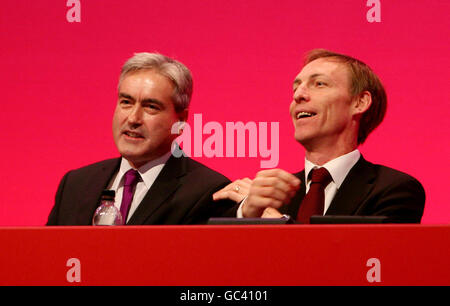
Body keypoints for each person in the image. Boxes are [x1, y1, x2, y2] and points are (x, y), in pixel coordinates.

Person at [214, 49, 425, 223]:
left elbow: (354, 264)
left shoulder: (395, 190)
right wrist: (247, 212)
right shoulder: (271, 194)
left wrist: (272, 219)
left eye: (319, 84)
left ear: (359, 103)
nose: (298, 95)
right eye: (296, 88)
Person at [47, 52, 234, 225]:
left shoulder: (207, 192)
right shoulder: (75, 184)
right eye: (126, 102)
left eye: (151, 106)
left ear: (181, 120)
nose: (133, 119)